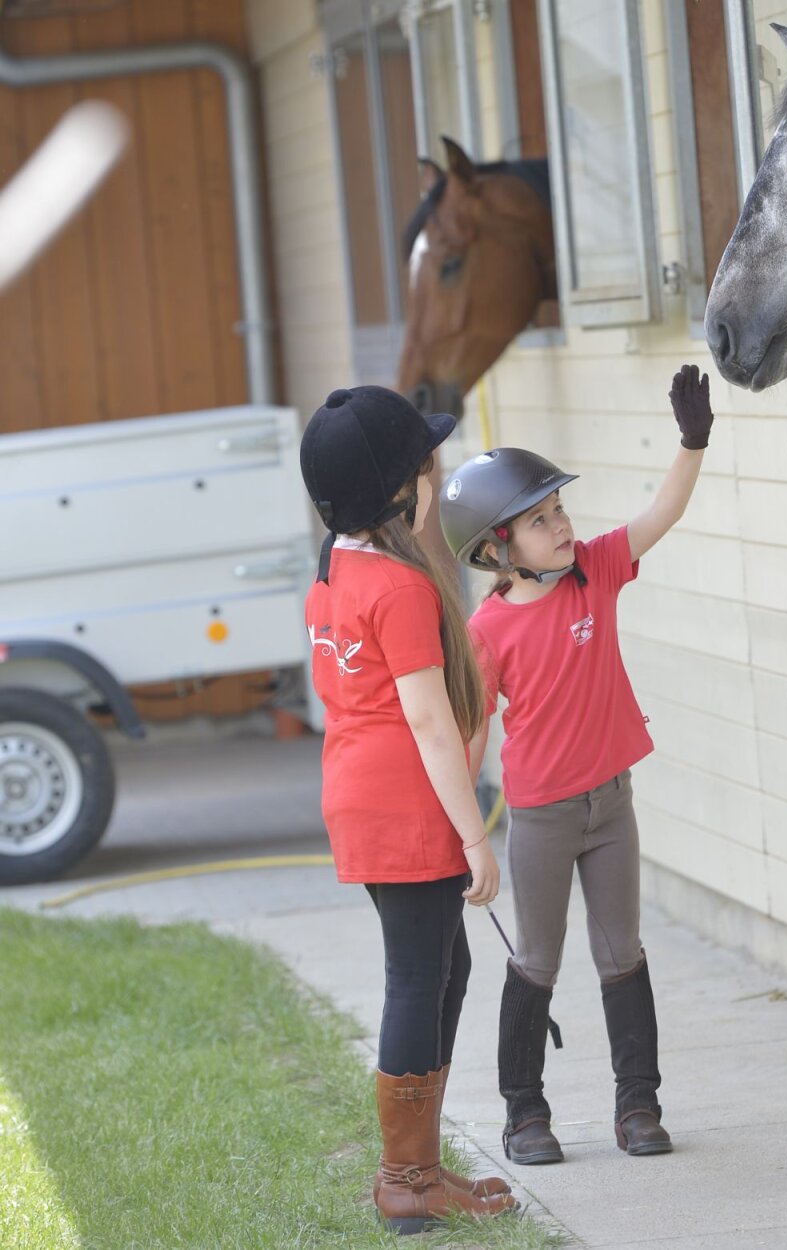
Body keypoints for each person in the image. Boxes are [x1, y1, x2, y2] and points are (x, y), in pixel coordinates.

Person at [438, 364, 714, 1165]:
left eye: (559, 509)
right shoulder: (488, 631)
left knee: (622, 952)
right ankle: (525, 1114)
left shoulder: (594, 570)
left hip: (611, 805)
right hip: (543, 817)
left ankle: (639, 1106)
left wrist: (692, 441)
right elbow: (470, 735)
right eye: (540, 519)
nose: (561, 525)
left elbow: (660, 514)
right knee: (538, 958)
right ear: (498, 547)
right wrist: (463, 833)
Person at [299, 385, 517, 1235]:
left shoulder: (335, 572)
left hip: (357, 796)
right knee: (420, 977)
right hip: (407, 805)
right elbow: (427, 721)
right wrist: (475, 837)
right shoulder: (399, 588)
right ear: (401, 491)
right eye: (429, 467)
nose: (437, 477)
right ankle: (406, 1180)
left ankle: (420, 1167)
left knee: (443, 971)